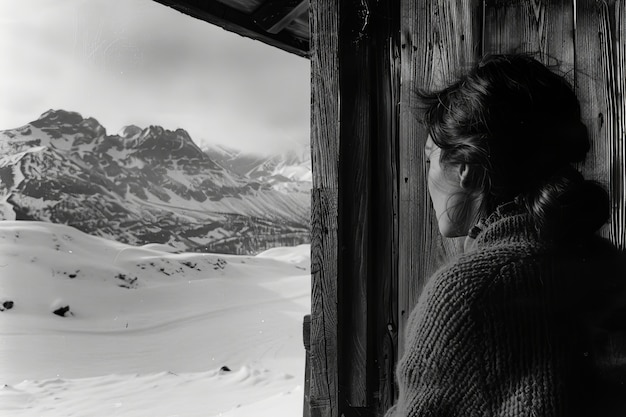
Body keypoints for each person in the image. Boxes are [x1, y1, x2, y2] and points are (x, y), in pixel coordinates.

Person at [386, 54, 626, 416]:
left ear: (465, 169)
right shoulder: (607, 262)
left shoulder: (467, 297)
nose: (427, 176)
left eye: (429, 158)